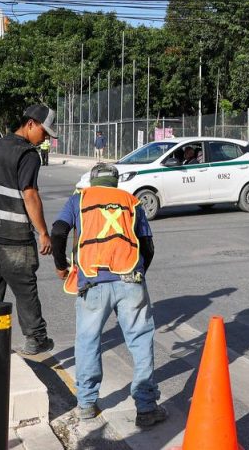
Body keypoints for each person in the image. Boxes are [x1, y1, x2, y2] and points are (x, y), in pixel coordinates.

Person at [51, 163, 166, 428]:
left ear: (92, 181)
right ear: (115, 182)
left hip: (92, 283)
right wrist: (139, 273)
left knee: (88, 341)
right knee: (139, 340)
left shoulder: (79, 199)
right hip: (130, 281)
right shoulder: (131, 200)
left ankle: (87, 403)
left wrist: (61, 265)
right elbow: (146, 245)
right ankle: (146, 408)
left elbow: (58, 231)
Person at [0, 104, 56, 365]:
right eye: (44, 132)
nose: (45, 138)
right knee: (25, 287)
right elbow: (30, 194)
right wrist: (43, 233)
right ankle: (36, 338)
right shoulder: (28, 154)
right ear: (30, 124)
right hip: (11, 235)